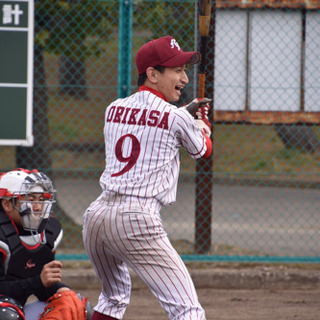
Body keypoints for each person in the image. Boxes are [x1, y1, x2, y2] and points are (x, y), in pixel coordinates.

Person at [82, 35, 212, 320]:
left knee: (112, 299)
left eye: (184, 69)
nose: (185, 78)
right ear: (152, 74)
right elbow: (202, 151)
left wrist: (185, 117)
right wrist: (201, 125)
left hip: (96, 217)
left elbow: (148, 122)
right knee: (187, 309)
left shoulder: (113, 108)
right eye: (177, 69)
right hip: (137, 218)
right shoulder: (176, 118)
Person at [0, 168, 93, 320]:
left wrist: (60, 290)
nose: (38, 207)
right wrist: (38, 281)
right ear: (7, 205)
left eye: (41, 199)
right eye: (30, 199)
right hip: (6, 308)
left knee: (77, 305)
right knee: (6, 315)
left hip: (15, 305)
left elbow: (41, 287)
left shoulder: (48, 232)